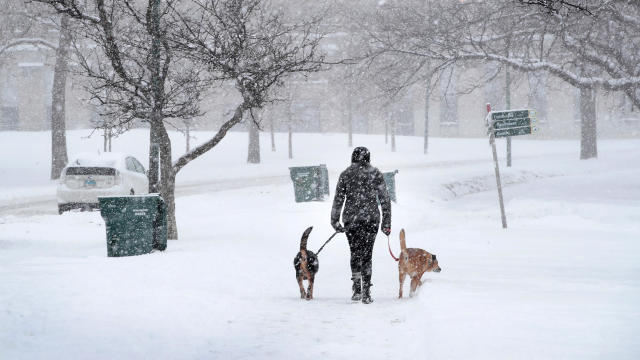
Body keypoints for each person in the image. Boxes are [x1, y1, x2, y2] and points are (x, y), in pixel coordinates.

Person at [331, 146, 391, 304]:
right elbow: (385, 199)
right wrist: (386, 222)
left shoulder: (346, 174)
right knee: (367, 255)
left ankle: (357, 288)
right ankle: (366, 291)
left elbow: (338, 199)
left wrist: (335, 220)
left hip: (352, 221)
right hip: (371, 220)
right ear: (368, 158)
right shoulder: (375, 173)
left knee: (355, 253)